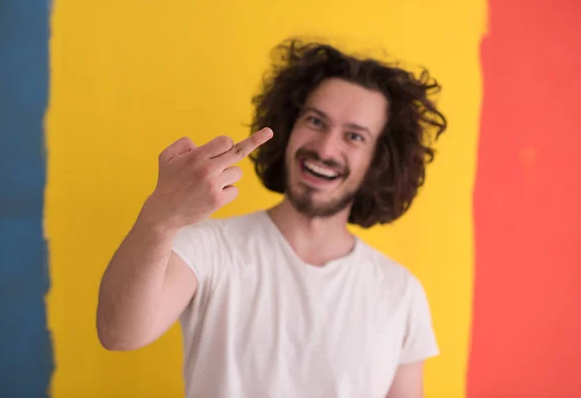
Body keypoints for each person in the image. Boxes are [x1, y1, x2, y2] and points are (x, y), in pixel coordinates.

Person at [96, 38, 447, 397]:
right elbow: (119, 333)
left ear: (379, 159)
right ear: (289, 126)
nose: (325, 148)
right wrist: (160, 218)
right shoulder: (210, 249)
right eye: (315, 121)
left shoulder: (400, 292)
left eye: (354, 136)